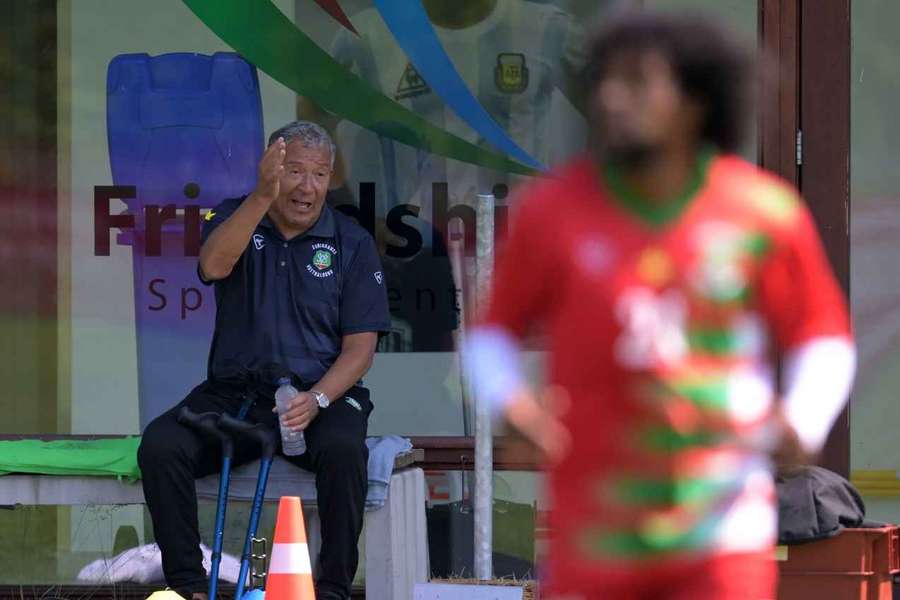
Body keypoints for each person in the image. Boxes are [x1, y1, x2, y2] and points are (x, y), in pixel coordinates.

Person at [465, 12, 856, 600]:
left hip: (722, 529)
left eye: (638, 81)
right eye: (605, 80)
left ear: (697, 100)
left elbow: (822, 335)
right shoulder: (551, 211)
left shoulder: (762, 212)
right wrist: (511, 402)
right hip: (594, 528)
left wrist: (804, 417)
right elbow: (489, 334)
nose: (612, 98)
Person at [138, 121, 391, 600]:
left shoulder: (351, 242)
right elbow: (213, 266)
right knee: (161, 445)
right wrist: (260, 196)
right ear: (271, 169)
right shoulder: (237, 215)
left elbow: (361, 349)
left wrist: (317, 399)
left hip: (318, 396)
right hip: (235, 394)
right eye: (294, 171)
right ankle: (189, 586)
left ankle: (332, 590)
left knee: (344, 453)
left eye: (319, 174)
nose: (307, 187)